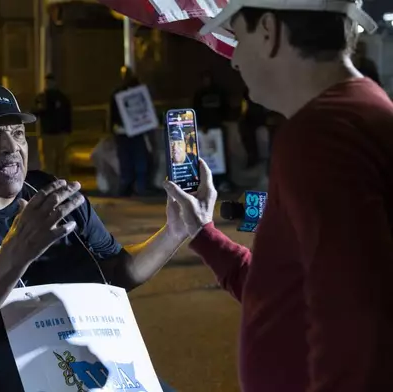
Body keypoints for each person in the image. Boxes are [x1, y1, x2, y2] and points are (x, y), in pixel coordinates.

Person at [0, 80, 182, 392]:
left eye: (17, 134)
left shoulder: (53, 195)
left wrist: (176, 231)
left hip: (89, 368)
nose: (9, 147)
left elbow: (118, 272)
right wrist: (16, 252)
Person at [165, 1, 393, 391]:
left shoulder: (324, 135)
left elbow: (359, 326)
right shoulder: (352, 115)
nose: (234, 61)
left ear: (269, 30)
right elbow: (290, 292)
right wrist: (202, 232)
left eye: (237, 36)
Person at [108, 66, 150, 196]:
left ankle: (136, 186)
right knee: (128, 159)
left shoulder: (135, 91)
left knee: (135, 159)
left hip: (134, 130)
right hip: (125, 131)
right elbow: (112, 113)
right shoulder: (120, 93)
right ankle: (130, 186)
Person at [192, 72, 233, 192]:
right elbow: (196, 110)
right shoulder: (200, 94)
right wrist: (200, 125)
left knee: (220, 156)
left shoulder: (219, 92)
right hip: (206, 129)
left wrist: (223, 121)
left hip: (218, 127)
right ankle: (210, 181)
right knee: (207, 155)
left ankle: (222, 181)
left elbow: (225, 108)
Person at [32, 74, 72, 178]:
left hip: (60, 133)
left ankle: (64, 181)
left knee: (62, 160)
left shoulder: (62, 98)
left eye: (51, 82)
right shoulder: (41, 97)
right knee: (47, 160)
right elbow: (35, 113)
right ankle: (49, 181)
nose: (49, 84)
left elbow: (68, 114)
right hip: (46, 133)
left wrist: (68, 130)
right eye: (47, 82)